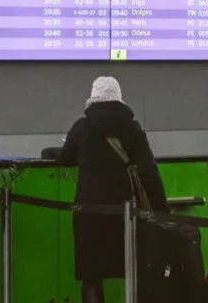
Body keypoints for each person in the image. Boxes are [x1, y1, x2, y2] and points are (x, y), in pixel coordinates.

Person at [58, 76, 168, 303]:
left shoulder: (81, 127)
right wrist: (162, 211)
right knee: (133, 269)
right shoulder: (132, 128)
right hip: (125, 214)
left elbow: (63, 158)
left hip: (89, 213)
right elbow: (149, 172)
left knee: (91, 277)